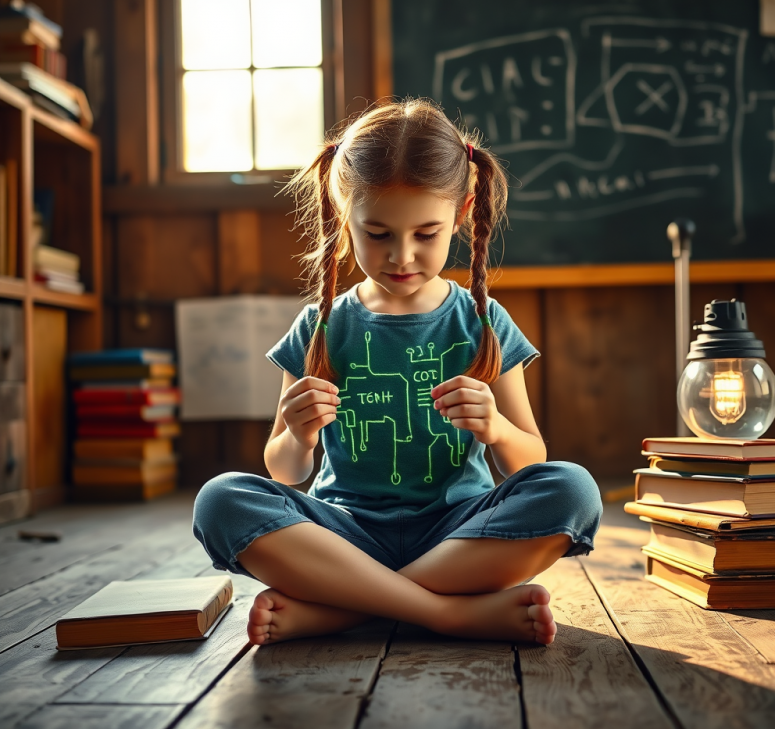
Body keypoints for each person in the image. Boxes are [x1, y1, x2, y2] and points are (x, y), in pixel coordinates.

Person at [193, 99, 602, 647]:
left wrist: (497, 429)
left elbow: (529, 458)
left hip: (457, 533)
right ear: (345, 215)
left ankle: (344, 611)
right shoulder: (320, 325)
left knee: (573, 490)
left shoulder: (482, 322)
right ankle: (448, 614)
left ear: (462, 212)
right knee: (221, 499)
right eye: (379, 234)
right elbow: (283, 471)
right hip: (344, 536)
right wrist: (298, 433)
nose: (402, 256)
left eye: (425, 234)